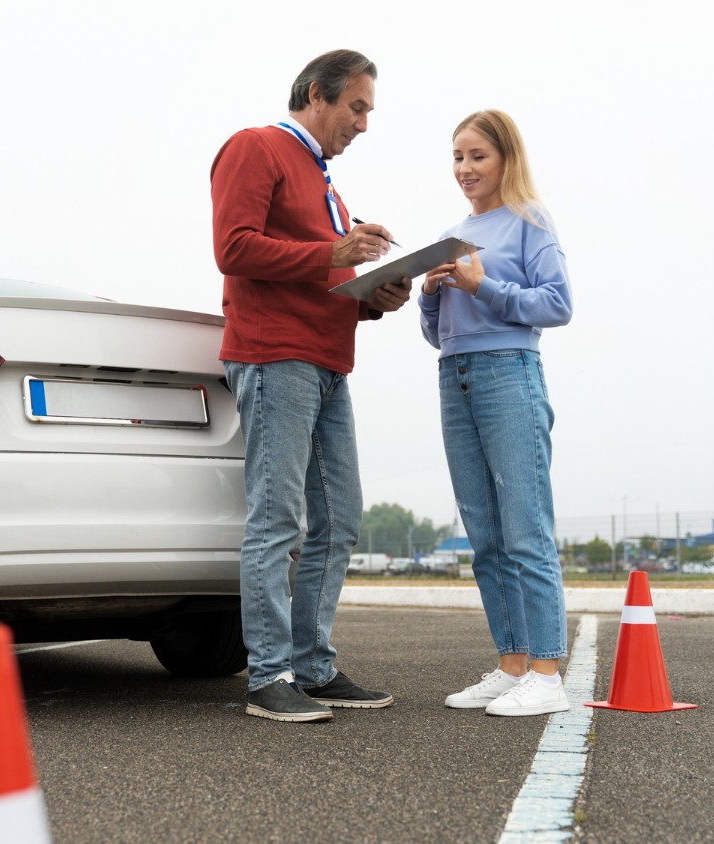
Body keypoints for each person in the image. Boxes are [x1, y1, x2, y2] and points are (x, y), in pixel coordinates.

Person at [211, 49, 411, 723]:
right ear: (316, 96)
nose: (362, 124)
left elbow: (320, 277)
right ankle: (269, 676)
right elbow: (234, 248)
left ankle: (312, 666)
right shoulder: (256, 147)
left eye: (368, 112)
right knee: (278, 520)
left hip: (327, 363)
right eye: (356, 107)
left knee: (340, 518)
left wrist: (374, 296)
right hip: (275, 358)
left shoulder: (327, 186)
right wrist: (336, 250)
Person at [419, 109, 574, 717]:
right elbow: (439, 336)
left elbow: (557, 305)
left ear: (506, 158)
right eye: (457, 157)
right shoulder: (454, 232)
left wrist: (483, 286)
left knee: (524, 527)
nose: (464, 168)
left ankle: (546, 672)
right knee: (484, 534)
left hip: (509, 374)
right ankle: (512, 663)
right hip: (454, 376)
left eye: (477, 156)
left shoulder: (531, 221)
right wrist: (430, 295)